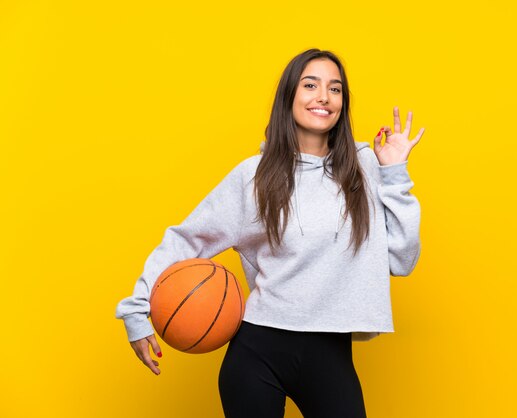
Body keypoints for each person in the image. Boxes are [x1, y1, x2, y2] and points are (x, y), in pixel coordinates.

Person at [115, 48, 425, 418]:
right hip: (257, 351)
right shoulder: (255, 176)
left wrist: (395, 174)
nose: (324, 97)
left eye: (335, 88)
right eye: (310, 85)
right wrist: (135, 311)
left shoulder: (365, 167)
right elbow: (186, 240)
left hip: (331, 354)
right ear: (289, 95)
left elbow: (402, 261)